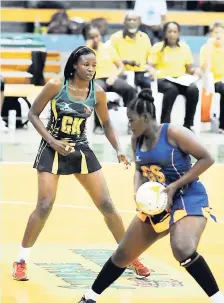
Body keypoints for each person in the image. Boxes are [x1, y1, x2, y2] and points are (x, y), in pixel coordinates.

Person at [12, 46, 150, 281]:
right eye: (87, 65)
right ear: (75, 64)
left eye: (94, 66)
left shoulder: (97, 92)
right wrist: (52, 141)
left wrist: (118, 149)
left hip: (81, 148)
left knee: (106, 204)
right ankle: (21, 260)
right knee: (44, 205)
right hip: (52, 146)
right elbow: (33, 114)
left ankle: (129, 255)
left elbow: (106, 124)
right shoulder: (57, 85)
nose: (91, 69)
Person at [78, 89, 224, 303]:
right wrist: (138, 192)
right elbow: (140, 169)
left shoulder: (173, 133)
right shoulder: (137, 140)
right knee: (123, 253)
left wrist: (175, 186)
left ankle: (218, 299)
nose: (129, 125)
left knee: (182, 247)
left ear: (145, 118)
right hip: (157, 201)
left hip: (187, 194)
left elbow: (207, 158)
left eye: (131, 120)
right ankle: (90, 297)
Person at [83, 24, 136, 134]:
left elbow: (121, 66)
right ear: (87, 38)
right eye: (92, 37)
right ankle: (98, 125)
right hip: (95, 79)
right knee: (98, 90)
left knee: (130, 90)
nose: (96, 39)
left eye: (97, 36)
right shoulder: (84, 51)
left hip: (111, 78)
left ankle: (132, 123)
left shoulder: (107, 48)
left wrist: (114, 76)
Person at [149, 22, 200, 130]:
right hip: (163, 79)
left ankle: (188, 124)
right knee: (171, 89)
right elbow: (150, 66)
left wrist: (195, 71)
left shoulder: (185, 48)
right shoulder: (157, 47)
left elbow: (189, 69)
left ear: (178, 33)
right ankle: (165, 125)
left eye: (175, 31)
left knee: (193, 90)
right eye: (169, 31)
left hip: (181, 79)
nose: (172, 34)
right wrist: (152, 71)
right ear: (165, 33)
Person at [109, 11, 153, 90]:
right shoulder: (115, 38)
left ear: (139, 22)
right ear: (124, 22)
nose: (131, 22)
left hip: (141, 72)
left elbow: (149, 57)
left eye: (134, 20)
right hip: (122, 73)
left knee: (147, 89)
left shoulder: (144, 37)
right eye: (129, 20)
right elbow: (110, 59)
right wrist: (125, 61)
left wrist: (150, 67)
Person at [200, 20, 224, 133]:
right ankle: (222, 125)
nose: (218, 35)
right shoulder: (206, 48)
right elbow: (206, 69)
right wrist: (209, 48)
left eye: (221, 32)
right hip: (213, 81)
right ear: (211, 34)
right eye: (215, 32)